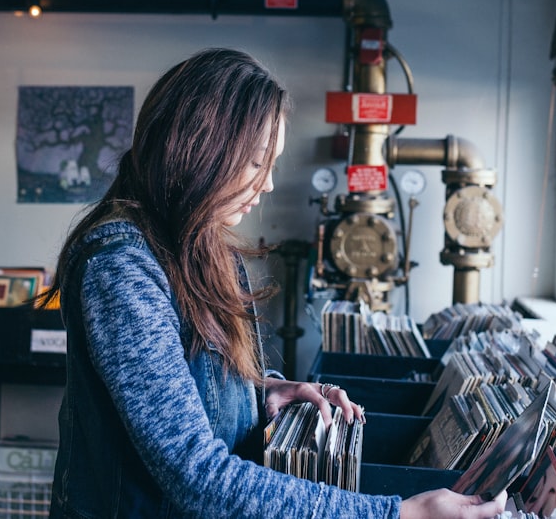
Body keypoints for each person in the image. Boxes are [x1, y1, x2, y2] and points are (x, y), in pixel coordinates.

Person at [40, 48, 508, 519]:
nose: (266, 185)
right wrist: (401, 514)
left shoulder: (199, 243)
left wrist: (260, 392)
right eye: (256, 161)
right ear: (200, 148)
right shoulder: (122, 265)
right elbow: (194, 473)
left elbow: (190, 388)